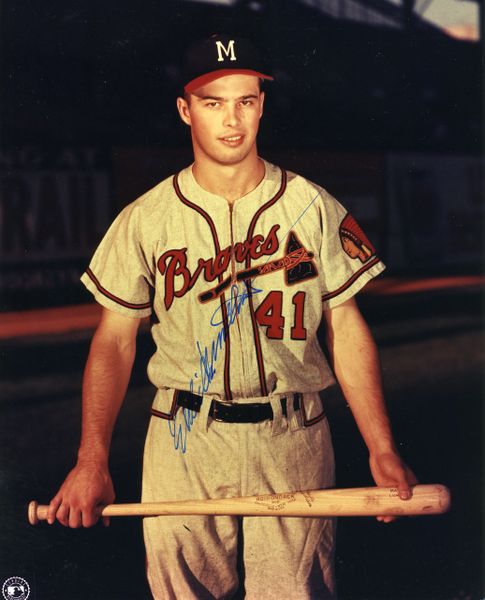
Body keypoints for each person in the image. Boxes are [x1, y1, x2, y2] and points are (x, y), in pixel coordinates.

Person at [47, 33, 417, 599]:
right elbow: (114, 342)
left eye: (246, 100)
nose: (232, 120)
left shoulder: (313, 207)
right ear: (185, 109)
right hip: (182, 440)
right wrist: (90, 460)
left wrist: (382, 449)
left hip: (293, 434)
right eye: (214, 102)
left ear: (263, 104)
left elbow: (345, 327)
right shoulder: (145, 218)